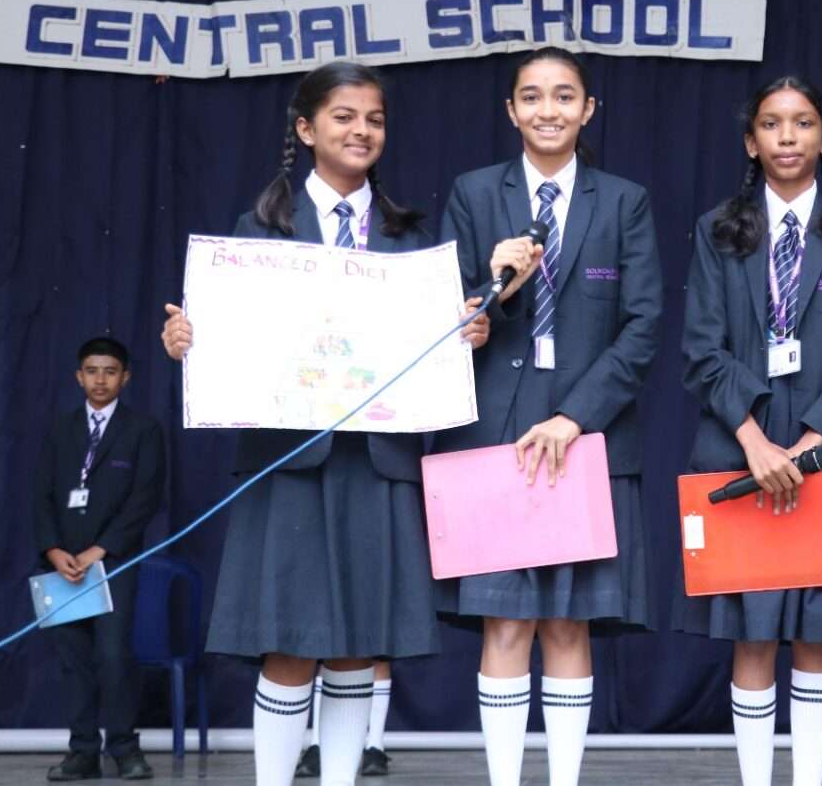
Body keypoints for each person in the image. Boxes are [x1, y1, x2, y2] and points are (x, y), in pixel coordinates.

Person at [160, 60, 489, 786]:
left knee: (357, 646)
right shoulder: (258, 231)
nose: (361, 130)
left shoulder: (412, 240)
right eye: (344, 116)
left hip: (377, 463)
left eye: (374, 119)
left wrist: (467, 331)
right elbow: (228, 338)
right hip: (290, 463)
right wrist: (189, 339)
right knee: (288, 641)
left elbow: (435, 343)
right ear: (307, 129)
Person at [433, 45, 662, 786]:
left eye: (565, 96)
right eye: (531, 96)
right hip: (494, 432)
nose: (548, 110)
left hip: (582, 436)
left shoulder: (623, 200)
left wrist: (575, 416)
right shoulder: (474, 193)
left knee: (568, 621)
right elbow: (448, 318)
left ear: (588, 109)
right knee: (505, 620)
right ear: (511, 111)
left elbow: (644, 325)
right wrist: (491, 285)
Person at [677, 76, 822, 786]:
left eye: (802, 123)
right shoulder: (716, 229)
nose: (787, 136)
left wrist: (815, 441)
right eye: (771, 123)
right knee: (754, 633)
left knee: (818, 634)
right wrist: (756, 442)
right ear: (750, 141)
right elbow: (701, 348)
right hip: (740, 452)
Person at [35, 336, 163, 782]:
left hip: (112, 564)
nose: (100, 380)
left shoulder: (143, 430)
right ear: (78, 376)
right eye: (92, 371)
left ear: (125, 378)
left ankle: (124, 749)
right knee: (73, 661)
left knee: (113, 656)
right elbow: (41, 495)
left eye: (110, 371)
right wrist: (53, 550)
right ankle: (83, 752)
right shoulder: (60, 429)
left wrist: (99, 550)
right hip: (62, 566)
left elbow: (145, 498)